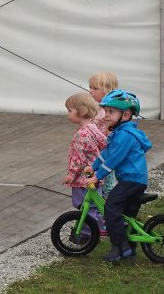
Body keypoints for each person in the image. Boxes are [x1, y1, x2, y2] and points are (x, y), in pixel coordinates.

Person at [84, 89, 151, 262]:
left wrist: (97, 176)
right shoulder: (121, 133)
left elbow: (114, 159)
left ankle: (120, 247)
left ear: (126, 114)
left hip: (131, 180)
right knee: (127, 215)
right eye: (105, 111)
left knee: (111, 208)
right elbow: (107, 153)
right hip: (134, 180)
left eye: (111, 112)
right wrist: (93, 166)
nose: (106, 115)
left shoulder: (125, 136)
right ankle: (130, 250)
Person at [63, 92, 107, 243]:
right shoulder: (93, 128)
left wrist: (72, 175)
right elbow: (104, 143)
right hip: (96, 175)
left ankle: (87, 235)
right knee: (97, 204)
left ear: (81, 112)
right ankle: (100, 225)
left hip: (84, 179)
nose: (67, 114)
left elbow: (79, 159)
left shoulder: (81, 134)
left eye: (70, 110)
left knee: (84, 206)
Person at [88, 71, 119, 234]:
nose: (90, 91)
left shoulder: (107, 112)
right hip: (99, 155)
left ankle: (109, 219)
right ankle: (102, 214)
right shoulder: (99, 109)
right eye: (90, 87)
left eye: (94, 88)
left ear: (106, 90)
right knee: (100, 185)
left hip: (106, 155)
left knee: (108, 186)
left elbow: (108, 135)